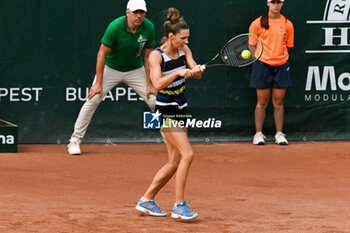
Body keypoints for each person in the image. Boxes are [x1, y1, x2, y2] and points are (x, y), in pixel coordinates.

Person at [135, 8, 203, 220]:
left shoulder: (185, 51)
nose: (186, 41)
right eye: (183, 38)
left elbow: (193, 71)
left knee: (174, 162)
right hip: (165, 112)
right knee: (188, 155)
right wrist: (177, 73)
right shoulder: (157, 56)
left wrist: (196, 71)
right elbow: (156, 85)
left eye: (188, 38)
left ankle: (146, 200)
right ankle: (179, 206)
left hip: (181, 109)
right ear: (171, 36)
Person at [67, 0, 156, 155]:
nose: (138, 16)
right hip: (111, 69)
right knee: (93, 99)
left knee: (155, 100)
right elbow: (102, 54)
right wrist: (98, 83)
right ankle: (74, 141)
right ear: (127, 12)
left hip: (136, 69)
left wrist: (150, 83)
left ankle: (172, 140)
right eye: (135, 12)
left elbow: (148, 57)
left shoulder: (149, 27)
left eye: (142, 12)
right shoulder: (114, 27)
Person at [249, 0, 294, 145]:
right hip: (262, 65)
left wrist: (278, 57)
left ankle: (279, 134)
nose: (276, 5)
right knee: (262, 102)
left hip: (281, 65)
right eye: (273, 2)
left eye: (279, 2)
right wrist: (260, 60)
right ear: (268, 3)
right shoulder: (256, 24)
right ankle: (258, 134)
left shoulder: (288, 24)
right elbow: (251, 46)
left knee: (278, 102)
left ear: (282, 4)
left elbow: (289, 46)